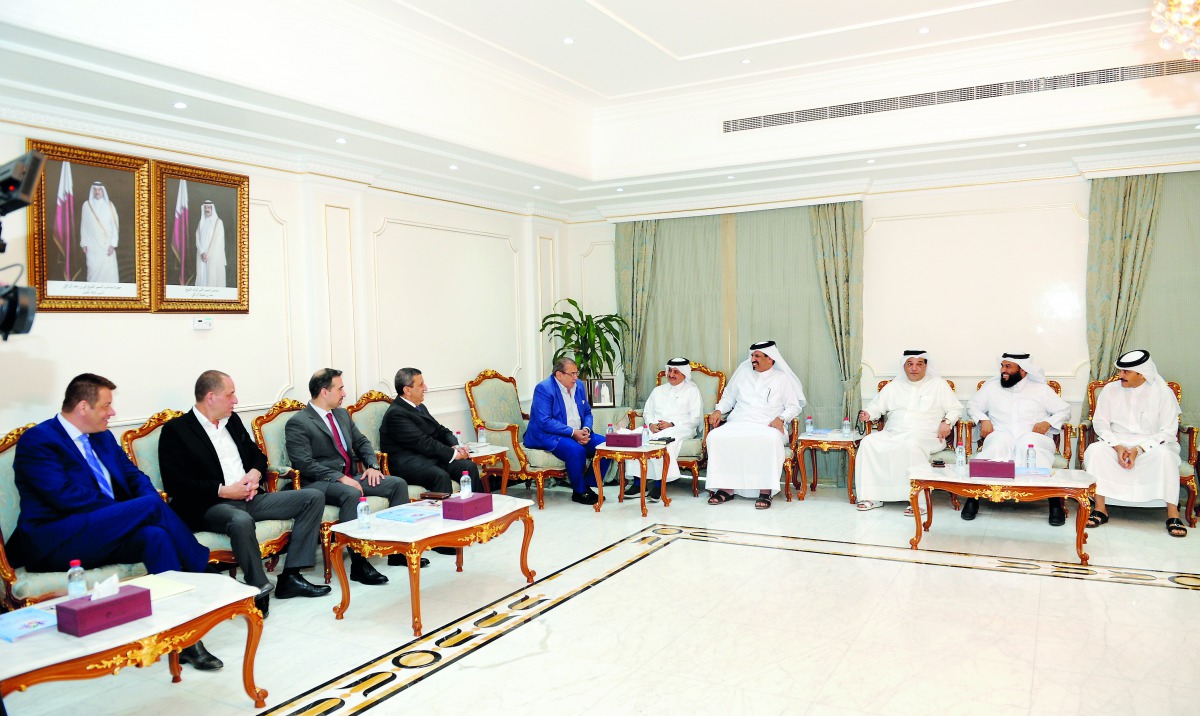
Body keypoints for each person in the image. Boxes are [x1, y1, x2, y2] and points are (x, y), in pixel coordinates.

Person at [8, 373, 220, 670]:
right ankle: (203, 569)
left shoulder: (102, 437)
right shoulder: (39, 441)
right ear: (83, 407)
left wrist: (131, 510)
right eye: (106, 405)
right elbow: (63, 497)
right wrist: (127, 510)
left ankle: (185, 637)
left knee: (155, 536)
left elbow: (135, 477)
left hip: (103, 533)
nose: (112, 412)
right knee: (148, 507)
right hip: (59, 540)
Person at [159, 370, 331, 617]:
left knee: (312, 497)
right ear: (211, 397)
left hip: (251, 498)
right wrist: (224, 491)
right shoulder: (176, 431)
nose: (236, 400)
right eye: (230, 395)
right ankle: (258, 587)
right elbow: (176, 483)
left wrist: (254, 474)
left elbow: (257, 456)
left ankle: (291, 576)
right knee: (240, 520)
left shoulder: (232, 421)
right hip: (210, 506)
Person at [284, 368, 419, 583]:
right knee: (350, 493)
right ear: (324, 392)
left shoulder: (341, 414)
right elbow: (304, 463)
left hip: (349, 477)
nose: (344, 394)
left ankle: (397, 551)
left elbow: (362, 442)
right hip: (318, 483)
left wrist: (372, 466)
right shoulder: (299, 422)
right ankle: (359, 563)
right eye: (340, 389)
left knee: (397, 484)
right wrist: (339, 477)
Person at [1083, 349, 1186, 537]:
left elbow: (1168, 431)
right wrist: (1117, 446)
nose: (1120, 375)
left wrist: (1139, 449)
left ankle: (1173, 514)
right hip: (1116, 441)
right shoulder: (1110, 390)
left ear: (1142, 374)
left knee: (1165, 456)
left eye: (1126, 372)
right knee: (1095, 451)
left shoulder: (1163, 393)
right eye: (1120, 371)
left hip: (1152, 444)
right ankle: (1100, 509)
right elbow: (1100, 423)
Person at [963, 353, 1072, 524]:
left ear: (1023, 370)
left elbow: (1064, 410)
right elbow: (972, 405)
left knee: (1030, 447)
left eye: (1008, 367)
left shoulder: (1041, 389)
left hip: (1032, 436)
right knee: (996, 447)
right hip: (1002, 433)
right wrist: (983, 419)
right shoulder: (992, 387)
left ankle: (1054, 501)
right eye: (1002, 366)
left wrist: (1048, 423)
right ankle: (974, 498)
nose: (1003, 370)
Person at [855, 350, 961, 514]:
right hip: (893, 433)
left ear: (926, 366)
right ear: (904, 366)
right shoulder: (894, 386)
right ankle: (872, 497)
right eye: (910, 364)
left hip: (927, 435)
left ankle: (918, 501)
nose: (914, 368)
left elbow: (955, 409)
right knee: (868, 442)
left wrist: (947, 422)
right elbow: (876, 406)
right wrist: (868, 414)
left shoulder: (938, 385)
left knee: (911, 444)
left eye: (919, 364)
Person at [705, 341, 804, 510]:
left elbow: (794, 406)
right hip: (739, 422)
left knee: (770, 439)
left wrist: (782, 418)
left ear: (770, 358)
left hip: (767, 425)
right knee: (715, 436)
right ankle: (725, 488)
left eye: (757, 356)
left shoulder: (782, 378)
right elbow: (728, 397)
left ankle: (765, 491)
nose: (752, 359)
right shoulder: (743, 372)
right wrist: (719, 410)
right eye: (752, 355)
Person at [379, 367, 485, 497]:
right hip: (409, 464)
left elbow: (440, 430)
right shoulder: (396, 414)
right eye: (421, 384)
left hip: (429, 458)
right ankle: (445, 510)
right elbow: (423, 442)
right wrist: (454, 454)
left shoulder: (419, 407)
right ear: (407, 390)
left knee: (468, 467)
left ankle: (477, 505)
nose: (425, 388)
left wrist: (456, 446)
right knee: (441, 476)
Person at [523, 358, 610, 506]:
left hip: (577, 432)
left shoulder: (579, 386)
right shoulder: (544, 389)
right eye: (572, 374)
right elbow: (545, 421)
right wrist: (573, 432)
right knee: (576, 450)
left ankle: (587, 484)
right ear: (559, 375)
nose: (576, 377)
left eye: (577, 373)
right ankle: (579, 492)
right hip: (549, 435)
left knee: (607, 446)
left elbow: (587, 412)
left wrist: (586, 430)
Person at [627, 357, 704, 502]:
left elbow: (695, 418)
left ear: (684, 374)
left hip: (681, 428)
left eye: (676, 372)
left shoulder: (692, 391)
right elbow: (647, 412)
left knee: (663, 440)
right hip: (656, 427)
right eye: (670, 371)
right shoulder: (658, 390)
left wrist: (672, 424)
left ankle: (659, 484)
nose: (671, 374)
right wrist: (651, 424)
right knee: (636, 436)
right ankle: (638, 484)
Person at [80, 181, 119, 283]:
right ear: (92, 191)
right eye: (95, 190)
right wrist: (84, 243)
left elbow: (114, 226)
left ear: (103, 191)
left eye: (99, 190)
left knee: (108, 273)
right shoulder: (86, 205)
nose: (97, 192)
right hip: (92, 246)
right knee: (92, 273)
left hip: (107, 245)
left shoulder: (110, 205)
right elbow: (84, 225)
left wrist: (113, 244)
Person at [195, 200, 227, 288]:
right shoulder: (201, 222)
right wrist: (202, 252)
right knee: (202, 278)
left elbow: (217, 242)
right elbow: (197, 237)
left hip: (213, 256)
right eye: (205, 207)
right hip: (202, 255)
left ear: (212, 209)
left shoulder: (218, 222)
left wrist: (208, 255)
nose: (207, 210)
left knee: (212, 279)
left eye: (209, 207)